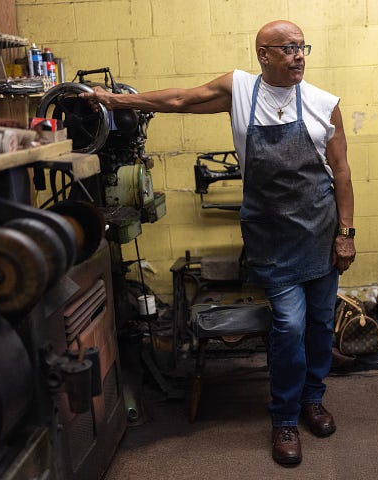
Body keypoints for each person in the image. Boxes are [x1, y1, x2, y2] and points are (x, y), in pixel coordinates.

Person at [80, 20, 356, 467]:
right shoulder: (240, 90)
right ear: (263, 54)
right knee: (289, 325)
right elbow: (176, 100)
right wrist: (113, 100)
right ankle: (285, 417)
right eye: (287, 49)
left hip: (320, 233)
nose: (299, 55)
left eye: (302, 47)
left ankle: (314, 398)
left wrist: (346, 233)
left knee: (321, 324)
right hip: (271, 236)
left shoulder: (326, 104)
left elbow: (340, 172)